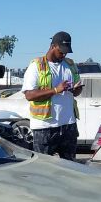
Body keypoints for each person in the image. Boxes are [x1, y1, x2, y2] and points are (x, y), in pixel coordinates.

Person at [21, 31, 82, 160]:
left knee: (71, 168)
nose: (64, 54)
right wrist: (55, 90)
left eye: (66, 52)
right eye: (61, 51)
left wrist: (76, 89)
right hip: (44, 127)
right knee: (43, 170)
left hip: (68, 125)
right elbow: (29, 95)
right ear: (53, 46)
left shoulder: (70, 65)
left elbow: (76, 92)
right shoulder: (36, 66)